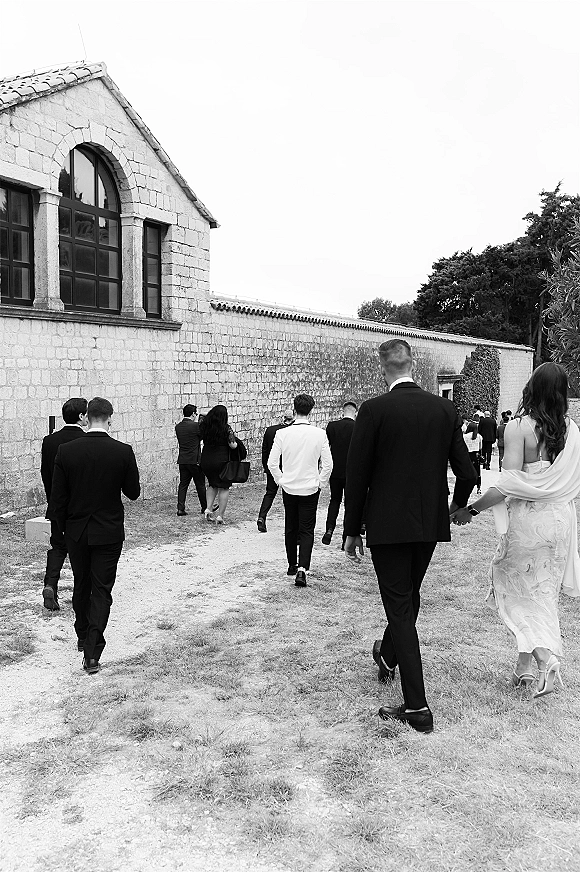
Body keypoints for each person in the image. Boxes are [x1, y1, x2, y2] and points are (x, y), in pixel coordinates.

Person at [344, 339, 476, 733]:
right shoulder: (444, 408)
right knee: (408, 597)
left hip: (387, 525)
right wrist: (456, 506)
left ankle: (417, 707)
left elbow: (356, 476)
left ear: (382, 367)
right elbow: (467, 472)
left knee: (400, 608)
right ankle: (387, 656)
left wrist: (352, 529)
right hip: (429, 524)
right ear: (412, 363)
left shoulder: (373, 410)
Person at [451, 362, 580, 698]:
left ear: (531, 387)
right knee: (541, 591)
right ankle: (524, 668)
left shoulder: (519, 427)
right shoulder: (571, 430)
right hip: (561, 520)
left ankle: (544, 658)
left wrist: (471, 509)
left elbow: (507, 484)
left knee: (509, 584)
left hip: (529, 519)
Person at [47, 397, 140, 675]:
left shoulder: (66, 451)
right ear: (110, 418)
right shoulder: (122, 451)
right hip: (108, 530)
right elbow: (133, 492)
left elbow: (57, 499)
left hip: (76, 530)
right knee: (101, 590)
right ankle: (92, 653)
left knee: (81, 583)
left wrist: (62, 529)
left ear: (87, 417)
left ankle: (82, 634)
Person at [267, 394, 332, 587]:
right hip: (310, 487)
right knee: (307, 529)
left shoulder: (282, 433)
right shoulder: (319, 434)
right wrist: (320, 482)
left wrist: (281, 480)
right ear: (311, 410)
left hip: (289, 486)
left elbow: (272, 463)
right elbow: (328, 464)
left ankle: (291, 565)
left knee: (291, 525)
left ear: (294, 410)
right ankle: (303, 568)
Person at [40, 397, 88, 610]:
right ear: (81, 416)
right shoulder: (86, 441)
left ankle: (50, 584)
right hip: (80, 508)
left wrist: (52, 501)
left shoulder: (49, 441)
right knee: (82, 551)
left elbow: (45, 473)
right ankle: (83, 594)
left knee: (58, 546)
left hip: (57, 506)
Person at [199, 405, 246, 525]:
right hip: (221, 460)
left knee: (212, 484)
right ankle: (220, 516)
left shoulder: (205, 426)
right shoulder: (226, 428)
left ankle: (208, 509)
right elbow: (233, 445)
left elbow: (201, 415)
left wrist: (209, 415)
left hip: (206, 459)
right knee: (224, 487)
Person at [322, 401, 358, 546]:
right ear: (355, 413)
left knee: (335, 500)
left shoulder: (332, 426)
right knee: (349, 504)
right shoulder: (358, 427)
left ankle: (329, 530)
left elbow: (326, 448)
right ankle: (345, 538)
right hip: (352, 472)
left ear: (342, 412)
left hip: (335, 470)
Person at [256, 408, 295, 533]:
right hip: (288, 467)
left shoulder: (270, 430)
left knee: (270, 493)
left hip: (273, 467)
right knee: (289, 495)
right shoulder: (293, 432)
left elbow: (264, 450)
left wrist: (266, 467)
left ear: (283, 417)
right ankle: (290, 523)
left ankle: (262, 516)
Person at [175, 404, 207, 516]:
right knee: (200, 485)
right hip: (194, 460)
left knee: (183, 485)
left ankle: (180, 508)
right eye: (196, 413)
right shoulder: (195, 426)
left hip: (183, 460)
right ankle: (205, 507)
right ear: (193, 414)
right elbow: (202, 436)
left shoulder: (178, 427)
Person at [462, 414, 482, 494]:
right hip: (475, 455)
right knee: (477, 471)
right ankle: (478, 487)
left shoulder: (465, 436)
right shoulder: (479, 436)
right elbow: (480, 447)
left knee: (466, 471)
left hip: (467, 455)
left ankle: (466, 486)